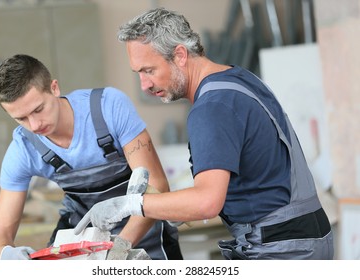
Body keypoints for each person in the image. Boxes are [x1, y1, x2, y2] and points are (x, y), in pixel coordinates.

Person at [74, 8, 334, 260]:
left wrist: (130, 204)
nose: (145, 85)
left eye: (149, 70)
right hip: (304, 237)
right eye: (138, 73)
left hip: (282, 249)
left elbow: (207, 202)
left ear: (180, 55)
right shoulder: (238, 78)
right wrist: (175, 206)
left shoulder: (211, 107)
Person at [0, 54, 183, 260]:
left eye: (38, 109)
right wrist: (5, 255)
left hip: (146, 230)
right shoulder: (23, 149)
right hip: (82, 242)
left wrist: (118, 248)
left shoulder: (108, 107)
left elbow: (157, 186)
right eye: (21, 118)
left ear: (54, 88)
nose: (35, 125)